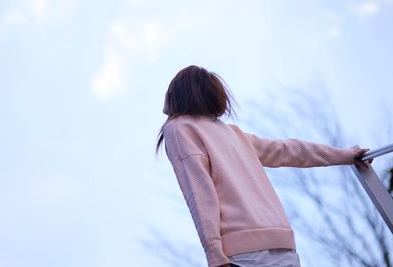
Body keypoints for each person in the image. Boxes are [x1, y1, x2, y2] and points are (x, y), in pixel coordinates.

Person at [155, 65, 372, 267]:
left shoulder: (179, 128)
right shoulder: (235, 134)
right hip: (284, 247)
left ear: (176, 95)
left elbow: (200, 191)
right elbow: (290, 150)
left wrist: (213, 251)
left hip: (245, 252)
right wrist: (347, 155)